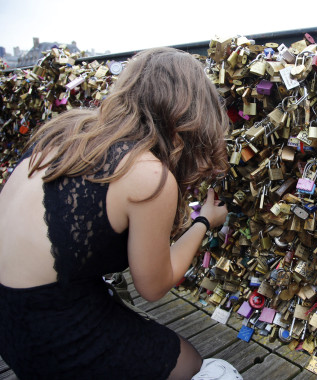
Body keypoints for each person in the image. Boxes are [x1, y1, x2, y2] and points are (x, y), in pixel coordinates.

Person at [0, 47, 236, 379]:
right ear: (188, 116)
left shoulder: (67, 132)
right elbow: (153, 288)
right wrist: (204, 221)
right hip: (48, 333)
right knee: (198, 366)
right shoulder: (148, 173)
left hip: (10, 320)